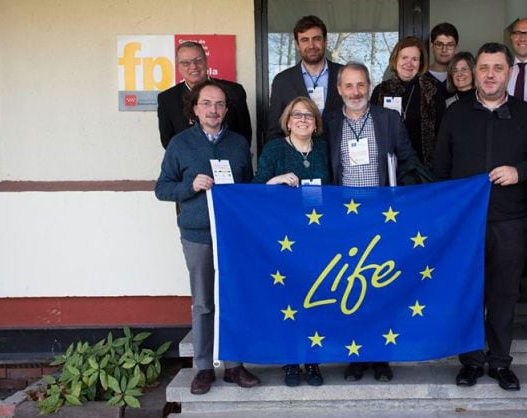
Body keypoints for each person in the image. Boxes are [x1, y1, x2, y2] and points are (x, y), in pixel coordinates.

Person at [433, 42, 527, 391]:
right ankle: (470, 361)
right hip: (465, 224)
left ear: (510, 72)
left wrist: (520, 172)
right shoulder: (456, 113)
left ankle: (499, 362)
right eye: (484, 68)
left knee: (503, 294)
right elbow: (440, 168)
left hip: (511, 221)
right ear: (474, 72)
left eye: (497, 68)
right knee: (468, 293)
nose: (489, 74)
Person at [155, 80, 259, 394]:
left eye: (219, 105)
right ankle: (203, 368)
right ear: (196, 109)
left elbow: (247, 188)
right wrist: (191, 186)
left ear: (227, 110)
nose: (213, 110)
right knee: (203, 303)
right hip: (197, 234)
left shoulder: (239, 144)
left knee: (233, 299)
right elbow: (162, 189)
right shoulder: (180, 144)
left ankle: (235, 365)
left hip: (231, 236)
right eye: (206, 104)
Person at [323, 62, 419, 381]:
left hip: (382, 219)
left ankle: (380, 356)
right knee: (351, 288)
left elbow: (408, 161)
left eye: (361, 85)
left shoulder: (388, 119)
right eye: (348, 86)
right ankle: (356, 355)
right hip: (344, 219)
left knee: (380, 287)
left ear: (369, 86)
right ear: (339, 90)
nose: (355, 92)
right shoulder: (328, 122)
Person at [253, 96, 329, 386]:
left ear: (315, 122)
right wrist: (276, 179)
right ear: (287, 120)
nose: (302, 120)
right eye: (297, 115)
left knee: (315, 296)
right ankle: (290, 360)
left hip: (316, 237)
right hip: (284, 238)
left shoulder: (322, 149)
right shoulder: (275, 149)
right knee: (288, 299)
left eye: (308, 115)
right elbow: (256, 188)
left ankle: (312, 360)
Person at [157, 41, 252, 148]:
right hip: (188, 163)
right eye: (185, 63)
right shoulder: (167, 99)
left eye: (198, 60)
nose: (193, 66)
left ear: (206, 61)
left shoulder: (234, 91)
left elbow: (245, 136)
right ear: (178, 67)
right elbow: (168, 142)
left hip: (228, 161)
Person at [370, 37, 445, 168]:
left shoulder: (432, 90)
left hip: (424, 168)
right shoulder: (381, 91)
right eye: (404, 57)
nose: (408, 63)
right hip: (389, 167)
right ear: (396, 59)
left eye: (414, 59)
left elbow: (443, 132)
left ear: (420, 63)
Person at [267, 15, 344, 140]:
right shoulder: (282, 81)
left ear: (325, 41)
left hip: (339, 155)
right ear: (297, 45)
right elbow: (275, 131)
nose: (311, 45)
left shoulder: (344, 75)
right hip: (299, 157)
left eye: (316, 39)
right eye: (304, 40)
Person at [426, 22, 460, 87]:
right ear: (432, 47)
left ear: (456, 48)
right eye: (439, 44)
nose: (444, 50)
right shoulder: (420, 77)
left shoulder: (462, 78)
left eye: (450, 45)